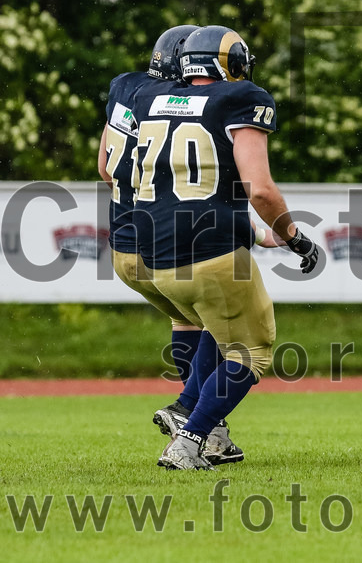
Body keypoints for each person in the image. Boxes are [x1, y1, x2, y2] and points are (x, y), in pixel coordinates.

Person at [133, 25, 319, 470]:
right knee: (251, 351)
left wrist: (256, 233)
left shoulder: (152, 98)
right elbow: (261, 191)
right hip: (212, 249)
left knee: (216, 332)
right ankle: (191, 438)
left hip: (154, 252)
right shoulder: (240, 99)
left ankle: (186, 410)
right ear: (231, 63)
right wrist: (293, 235)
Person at [98, 24, 259, 465]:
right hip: (166, 237)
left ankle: (212, 431)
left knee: (196, 322)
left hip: (124, 240)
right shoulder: (176, 101)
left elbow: (105, 169)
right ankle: (188, 411)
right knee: (231, 330)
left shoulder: (127, 88)